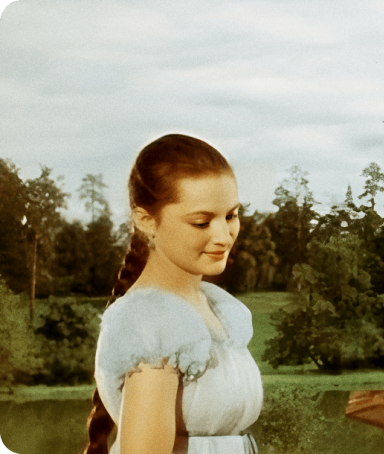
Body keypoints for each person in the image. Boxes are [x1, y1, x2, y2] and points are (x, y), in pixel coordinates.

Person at [83, 134, 263, 454]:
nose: (224, 236)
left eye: (231, 215)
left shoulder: (215, 308)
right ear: (146, 221)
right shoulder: (151, 322)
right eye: (202, 222)